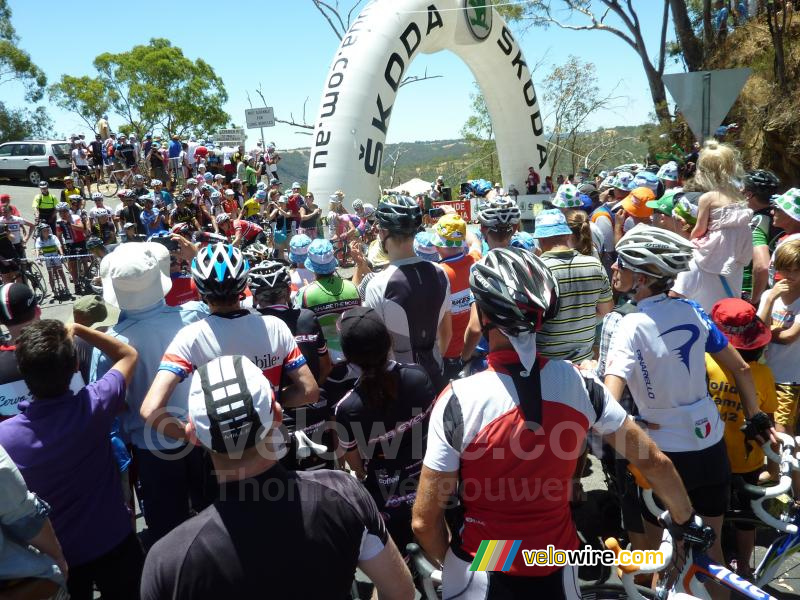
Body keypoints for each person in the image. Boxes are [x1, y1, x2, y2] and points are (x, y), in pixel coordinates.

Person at [413, 247, 702, 599]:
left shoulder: (458, 398)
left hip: (483, 563)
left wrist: (451, 565)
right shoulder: (581, 384)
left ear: (484, 315)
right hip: (555, 558)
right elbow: (653, 462)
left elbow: (424, 521)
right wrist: (687, 521)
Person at [140, 355, 413, 600]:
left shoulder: (168, 561)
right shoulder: (344, 494)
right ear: (278, 415)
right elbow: (400, 592)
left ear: (194, 436)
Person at [605, 224, 773, 598]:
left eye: (622, 263)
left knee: (654, 558)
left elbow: (610, 403)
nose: (614, 268)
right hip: (710, 448)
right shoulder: (692, 309)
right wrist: (756, 417)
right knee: (710, 555)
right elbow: (742, 369)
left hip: (664, 455)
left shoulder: (628, 324)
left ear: (643, 277)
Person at [0, 319, 142, 600]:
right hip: (114, 539)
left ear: (24, 373)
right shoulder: (95, 404)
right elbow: (128, 354)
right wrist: (78, 329)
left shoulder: (6, 438)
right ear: (75, 365)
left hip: (61, 558)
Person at [141, 243, 319, 440]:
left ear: (198, 290)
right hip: (269, 440)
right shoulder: (274, 326)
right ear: (245, 286)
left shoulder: (189, 337)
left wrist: (193, 436)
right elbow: (309, 391)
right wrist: (266, 403)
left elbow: (151, 410)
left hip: (220, 449)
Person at [336, 306, 435, 553]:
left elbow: (354, 460)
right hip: (433, 484)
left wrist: (360, 472)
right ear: (389, 341)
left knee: (399, 565)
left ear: (347, 356)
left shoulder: (347, 407)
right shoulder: (418, 376)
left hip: (388, 497)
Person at [705, 297, 776, 579]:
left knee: (712, 513)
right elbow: (767, 420)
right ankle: (745, 567)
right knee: (748, 519)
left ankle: (712, 564)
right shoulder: (763, 375)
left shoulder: (705, 362)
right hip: (749, 461)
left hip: (711, 455)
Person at [364, 196, 451, 391]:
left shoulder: (377, 284)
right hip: (436, 374)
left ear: (383, 232)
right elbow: (447, 331)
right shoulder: (440, 272)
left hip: (398, 383)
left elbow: (376, 347)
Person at [672, 141, 753, 312]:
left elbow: (700, 229)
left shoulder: (708, 198)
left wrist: (690, 240)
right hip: (739, 246)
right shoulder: (739, 195)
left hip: (716, 246)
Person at [532, 208, 612, 362]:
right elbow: (606, 310)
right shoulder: (595, 265)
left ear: (540, 239)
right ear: (568, 235)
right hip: (585, 363)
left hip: (546, 364)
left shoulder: (535, 270)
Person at [757, 239, 800, 437]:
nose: (790, 276)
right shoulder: (769, 295)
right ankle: (773, 469)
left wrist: (769, 330)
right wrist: (771, 299)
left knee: (783, 431)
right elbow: (757, 333)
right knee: (766, 430)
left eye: (795, 270)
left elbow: (788, 337)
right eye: (786, 269)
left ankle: (791, 469)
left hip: (790, 378)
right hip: (764, 373)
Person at [295, 238, 361, 363]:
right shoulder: (352, 287)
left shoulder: (304, 293)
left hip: (323, 358)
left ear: (311, 266)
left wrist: (308, 287)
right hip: (352, 353)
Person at [428, 214, 475, 380]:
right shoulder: (475, 261)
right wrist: (458, 224)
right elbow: (474, 242)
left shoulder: (437, 275)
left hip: (447, 352)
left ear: (438, 245)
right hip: (474, 347)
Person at [741, 169, 780, 303]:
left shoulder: (758, 221)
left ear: (749, 194)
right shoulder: (779, 215)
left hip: (751, 290)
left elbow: (762, 266)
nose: (740, 191)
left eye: (743, 188)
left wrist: (754, 300)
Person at [35, 223, 68, 294]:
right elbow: (37, 249)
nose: (47, 232)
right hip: (47, 257)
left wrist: (61, 254)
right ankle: (53, 290)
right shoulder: (39, 240)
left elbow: (59, 246)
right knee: (50, 274)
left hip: (55, 256)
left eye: (47, 230)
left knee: (61, 272)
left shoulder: (53, 237)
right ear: (41, 232)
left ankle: (67, 288)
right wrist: (38, 258)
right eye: (44, 231)